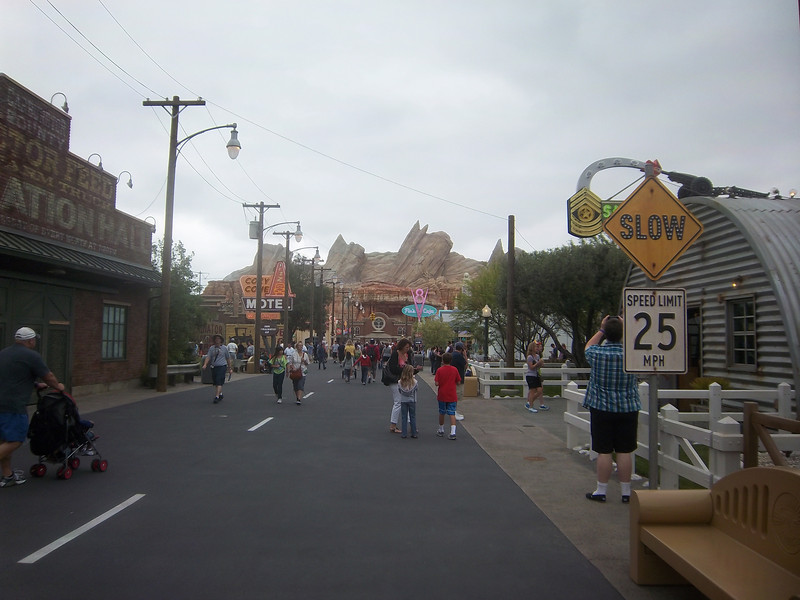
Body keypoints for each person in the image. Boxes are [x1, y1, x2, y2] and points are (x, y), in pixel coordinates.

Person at [583, 315, 640, 504]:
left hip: (602, 408)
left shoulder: (597, 354)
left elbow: (588, 346)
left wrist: (602, 329)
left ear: (606, 333)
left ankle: (601, 490)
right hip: (627, 408)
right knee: (624, 451)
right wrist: (626, 328)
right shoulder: (631, 356)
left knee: (604, 451)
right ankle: (626, 492)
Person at [0, 327, 65, 488]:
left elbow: (13, 376)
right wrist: (59, 387)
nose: (34, 342)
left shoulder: (4, 353)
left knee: (4, 441)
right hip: (13, 406)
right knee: (15, 441)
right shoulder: (31, 356)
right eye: (34, 339)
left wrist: (35, 384)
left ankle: (7, 476)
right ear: (30, 341)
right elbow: (48, 376)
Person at [386, 338, 420, 433]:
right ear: (401, 347)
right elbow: (393, 369)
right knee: (398, 402)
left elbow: (410, 367)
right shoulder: (395, 354)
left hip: (407, 380)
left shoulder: (408, 354)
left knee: (408, 402)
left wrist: (414, 370)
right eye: (406, 347)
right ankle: (393, 425)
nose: (408, 349)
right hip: (396, 380)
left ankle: (411, 425)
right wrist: (405, 371)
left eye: (409, 347)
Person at [434, 352, 461, 440]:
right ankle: (453, 432)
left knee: (442, 412)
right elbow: (458, 382)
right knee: (452, 412)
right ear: (451, 360)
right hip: (452, 394)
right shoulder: (454, 370)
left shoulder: (439, 370)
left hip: (442, 394)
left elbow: (436, 383)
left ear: (442, 360)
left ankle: (441, 429)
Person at [202, 334, 233, 404]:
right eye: (216, 339)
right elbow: (208, 357)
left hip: (222, 366)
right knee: (216, 381)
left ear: (221, 340)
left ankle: (217, 396)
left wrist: (230, 368)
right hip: (214, 366)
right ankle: (220, 393)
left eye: (218, 339)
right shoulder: (212, 348)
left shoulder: (224, 348)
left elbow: (228, 358)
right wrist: (205, 364)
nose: (217, 340)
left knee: (219, 380)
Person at [524, 341, 549, 413]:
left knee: (540, 390)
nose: (537, 348)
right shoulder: (530, 357)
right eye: (536, 347)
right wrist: (538, 363)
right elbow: (531, 367)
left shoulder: (537, 356)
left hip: (536, 375)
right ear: (532, 348)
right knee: (532, 391)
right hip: (530, 376)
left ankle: (530, 402)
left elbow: (538, 366)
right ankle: (531, 406)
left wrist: (541, 364)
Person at [397, 364, 418, 439]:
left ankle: (404, 433)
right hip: (412, 400)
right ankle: (414, 433)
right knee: (412, 416)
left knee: (404, 417)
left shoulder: (400, 382)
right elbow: (416, 390)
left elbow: (399, 391)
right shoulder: (415, 382)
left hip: (403, 400)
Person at [450, 342, 468, 421]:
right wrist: (465, 355)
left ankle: (454, 411)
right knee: (457, 395)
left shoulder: (453, 354)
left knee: (455, 395)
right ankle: (453, 412)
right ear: (461, 349)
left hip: (453, 378)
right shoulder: (458, 356)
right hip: (458, 378)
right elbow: (465, 365)